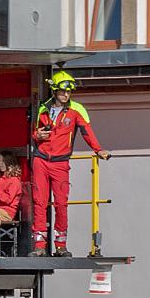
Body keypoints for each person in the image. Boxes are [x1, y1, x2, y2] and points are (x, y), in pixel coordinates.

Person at [29, 71, 106, 256]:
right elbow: (34, 132)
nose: (66, 95)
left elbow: (87, 132)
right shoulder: (42, 108)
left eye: (69, 92)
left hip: (60, 163)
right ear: (54, 91)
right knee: (39, 203)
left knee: (61, 204)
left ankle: (61, 246)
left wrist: (98, 149)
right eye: (63, 91)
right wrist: (37, 135)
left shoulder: (77, 110)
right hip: (41, 159)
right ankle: (39, 246)